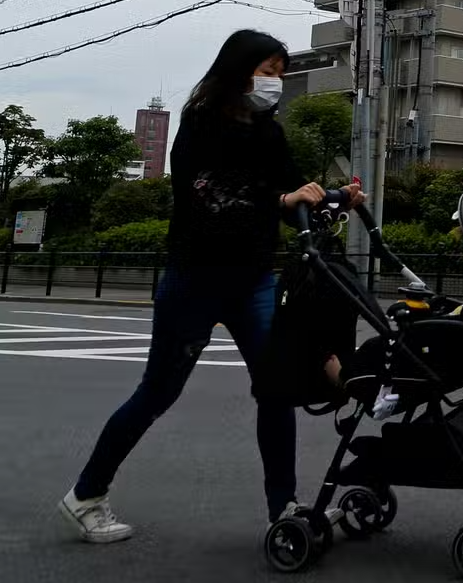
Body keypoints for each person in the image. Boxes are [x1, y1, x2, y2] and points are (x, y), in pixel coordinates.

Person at [58, 29, 364, 543]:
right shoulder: (200, 124)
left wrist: (333, 200)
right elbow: (207, 197)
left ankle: (282, 509)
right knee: (158, 392)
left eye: (279, 75)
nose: (274, 84)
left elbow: (292, 203)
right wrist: (280, 202)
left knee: (276, 389)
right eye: (268, 71)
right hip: (194, 281)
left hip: (254, 282)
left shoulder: (270, 133)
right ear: (238, 69)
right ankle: (86, 494)